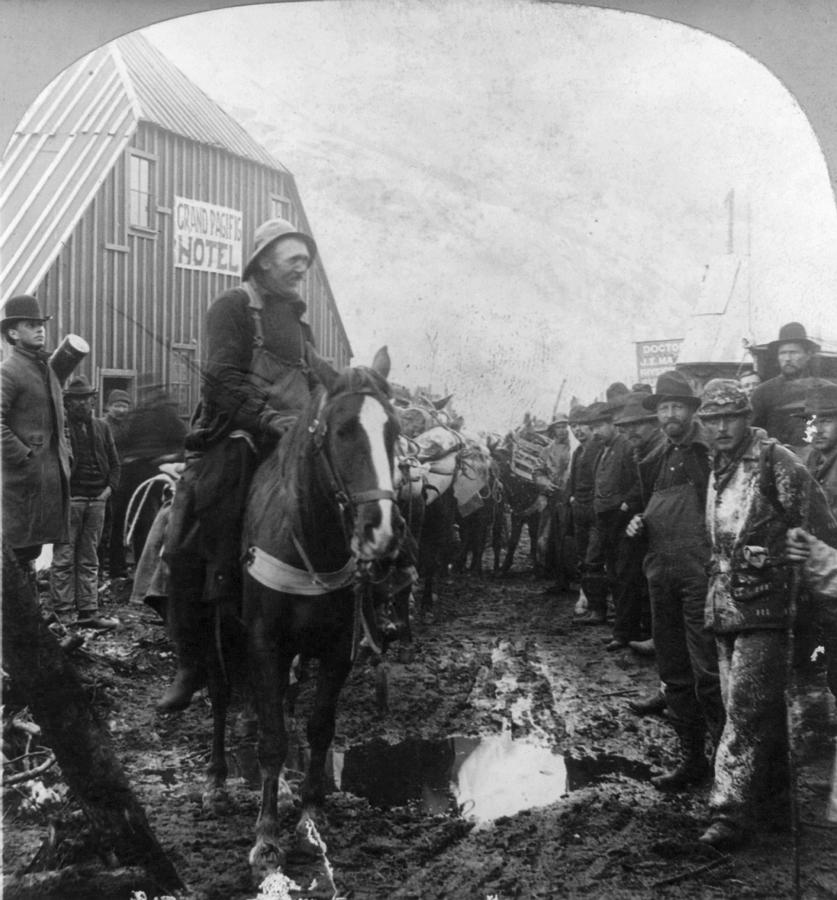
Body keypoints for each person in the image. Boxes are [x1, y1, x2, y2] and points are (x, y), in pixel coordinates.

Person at [157, 217, 320, 712]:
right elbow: (222, 379)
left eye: (307, 261)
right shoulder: (232, 307)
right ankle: (191, 662)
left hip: (292, 441)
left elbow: (314, 380)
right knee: (189, 534)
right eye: (294, 259)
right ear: (263, 260)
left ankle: (360, 620)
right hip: (237, 434)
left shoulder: (297, 318)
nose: (303, 268)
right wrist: (268, 418)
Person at [696, 379, 837, 848]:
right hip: (726, 603)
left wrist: (790, 559)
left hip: (769, 606)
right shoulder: (718, 463)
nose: (720, 426)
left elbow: (819, 530)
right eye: (711, 419)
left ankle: (730, 815)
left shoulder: (777, 461)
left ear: (747, 415)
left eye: (730, 416)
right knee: (750, 708)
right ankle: (771, 804)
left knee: (747, 711)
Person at [625, 371, 724, 789]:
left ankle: (726, 766)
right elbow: (652, 506)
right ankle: (691, 761)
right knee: (672, 669)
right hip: (660, 572)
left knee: (709, 671)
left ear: (691, 410)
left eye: (677, 406)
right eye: (663, 407)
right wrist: (639, 523)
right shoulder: (654, 457)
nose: (669, 414)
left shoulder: (711, 452)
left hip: (699, 574)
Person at [0, 294, 71, 581]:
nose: (40, 329)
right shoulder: (8, 371)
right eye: (31, 325)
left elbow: (58, 420)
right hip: (23, 482)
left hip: (48, 480)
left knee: (32, 552)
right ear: (13, 334)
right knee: (17, 552)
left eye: (41, 324)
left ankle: (30, 618)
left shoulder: (47, 370)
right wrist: (25, 455)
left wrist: (67, 455)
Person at [49, 376, 121, 629]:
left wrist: (108, 490)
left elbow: (115, 463)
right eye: (77, 399)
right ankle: (63, 613)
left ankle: (88, 611)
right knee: (64, 557)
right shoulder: (59, 428)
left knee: (90, 557)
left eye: (87, 399)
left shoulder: (102, 427)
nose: (83, 404)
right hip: (71, 501)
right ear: (67, 403)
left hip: (97, 502)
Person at [573, 399, 640, 638]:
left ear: (613, 424)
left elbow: (638, 482)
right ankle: (604, 615)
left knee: (621, 574)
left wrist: (625, 504)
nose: (596, 432)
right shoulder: (603, 449)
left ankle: (624, 628)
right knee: (605, 568)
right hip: (603, 517)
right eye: (593, 427)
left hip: (620, 519)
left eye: (600, 426)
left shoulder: (625, 446)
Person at [612, 391, 666, 655]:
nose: (632, 431)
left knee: (656, 582)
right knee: (632, 574)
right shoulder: (640, 449)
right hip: (643, 520)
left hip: (659, 522)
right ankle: (638, 633)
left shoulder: (661, 448)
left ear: (654, 423)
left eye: (637, 424)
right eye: (627, 426)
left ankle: (656, 638)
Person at [794, 380, 837, 698]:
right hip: (818, 581)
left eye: (826, 420)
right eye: (811, 420)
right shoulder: (808, 461)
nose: (816, 428)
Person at [750, 321, 821, 451]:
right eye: (782, 353)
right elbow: (751, 432)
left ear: (808, 355)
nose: (787, 358)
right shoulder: (763, 392)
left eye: (794, 352)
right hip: (776, 461)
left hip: (818, 463)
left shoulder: (825, 390)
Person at [101, 388, 133, 579]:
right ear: (108, 407)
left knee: (120, 526)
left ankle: (117, 568)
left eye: (125, 406)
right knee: (104, 526)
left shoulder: (131, 427)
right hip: (106, 483)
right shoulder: (102, 425)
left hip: (126, 484)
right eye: (117, 405)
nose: (121, 410)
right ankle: (98, 569)